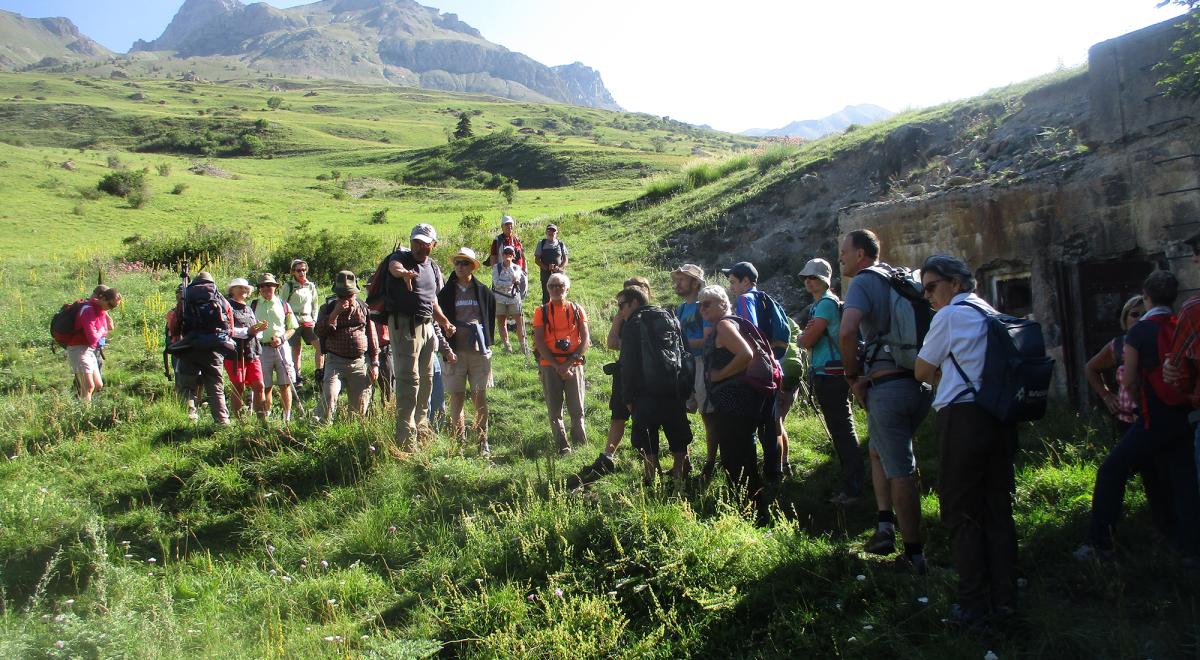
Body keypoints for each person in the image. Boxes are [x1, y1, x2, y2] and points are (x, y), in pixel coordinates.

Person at [913, 255, 1018, 626]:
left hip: (962, 418)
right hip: (999, 417)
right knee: (997, 510)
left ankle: (973, 604)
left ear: (956, 283)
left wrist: (944, 375)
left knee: (960, 512)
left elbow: (922, 369)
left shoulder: (950, 316)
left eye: (932, 286)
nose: (928, 295)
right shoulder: (990, 311)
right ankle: (1005, 599)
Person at [1076, 270, 1200, 564]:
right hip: (1183, 415)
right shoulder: (1180, 322)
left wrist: (1125, 396)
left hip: (1152, 416)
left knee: (1111, 471)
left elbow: (1129, 379)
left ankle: (1100, 543)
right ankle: (1191, 549)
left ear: (1146, 297)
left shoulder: (1140, 331)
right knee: (1185, 484)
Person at [838, 228, 930, 573]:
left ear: (861, 253)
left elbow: (847, 332)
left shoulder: (863, 282)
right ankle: (884, 526)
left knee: (900, 470)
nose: (841, 258)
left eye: (844, 252)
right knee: (879, 450)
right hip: (917, 383)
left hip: (887, 387)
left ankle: (914, 556)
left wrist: (852, 376)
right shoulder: (898, 278)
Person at [375, 223, 458, 449]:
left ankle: (422, 430)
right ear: (410, 241)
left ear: (434, 244)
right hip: (405, 327)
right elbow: (394, 267)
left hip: (428, 327)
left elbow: (432, 301)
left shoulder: (432, 268)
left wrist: (445, 322)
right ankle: (405, 439)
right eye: (416, 242)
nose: (420, 247)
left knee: (427, 380)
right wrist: (405, 275)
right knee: (408, 381)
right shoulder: (400, 258)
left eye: (425, 243)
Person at [796, 257, 863, 504]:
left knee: (842, 430)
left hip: (830, 373)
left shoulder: (824, 304)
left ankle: (853, 488)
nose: (808, 281)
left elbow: (807, 340)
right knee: (842, 428)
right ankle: (851, 483)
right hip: (831, 372)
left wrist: (804, 336)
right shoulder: (824, 304)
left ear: (824, 279)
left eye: (813, 277)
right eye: (806, 277)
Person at [698, 285, 765, 513]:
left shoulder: (725, 325)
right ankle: (752, 506)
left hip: (733, 398)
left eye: (707, 303)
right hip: (739, 398)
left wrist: (719, 375)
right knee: (743, 453)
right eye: (699, 304)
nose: (702, 308)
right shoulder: (728, 324)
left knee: (735, 455)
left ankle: (747, 509)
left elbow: (746, 354)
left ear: (723, 304)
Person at [618, 286, 694, 484]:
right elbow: (685, 353)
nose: (620, 311)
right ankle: (679, 475)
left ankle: (652, 476)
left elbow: (628, 364)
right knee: (678, 432)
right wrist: (686, 387)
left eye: (622, 305)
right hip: (673, 387)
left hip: (645, 392)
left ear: (634, 302)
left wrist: (627, 396)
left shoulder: (633, 324)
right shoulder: (669, 317)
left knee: (646, 434)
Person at [583, 277, 652, 479]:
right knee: (618, 413)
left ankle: (648, 453)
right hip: (625, 370)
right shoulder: (621, 316)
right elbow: (611, 342)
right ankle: (608, 456)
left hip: (649, 372)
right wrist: (628, 339)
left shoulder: (653, 315)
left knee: (650, 414)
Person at [722, 261, 784, 482]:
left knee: (751, 424)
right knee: (770, 424)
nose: (731, 287)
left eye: (733, 282)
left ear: (746, 281)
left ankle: (752, 477)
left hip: (755, 371)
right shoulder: (767, 298)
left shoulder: (745, 299)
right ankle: (775, 473)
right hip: (773, 368)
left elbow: (750, 331)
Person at [437, 248, 496, 456]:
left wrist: (487, 343)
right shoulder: (445, 293)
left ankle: (483, 441)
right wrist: (445, 348)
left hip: (478, 353)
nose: (460, 267)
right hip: (454, 354)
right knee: (457, 398)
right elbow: (438, 321)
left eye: (465, 263)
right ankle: (458, 442)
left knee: (480, 397)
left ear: (472, 266)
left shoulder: (483, 291)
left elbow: (489, 318)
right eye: (457, 263)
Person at [670, 265, 719, 480]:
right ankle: (684, 461)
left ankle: (710, 463)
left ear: (695, 282)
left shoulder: (704, 306)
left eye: (682, 279)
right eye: (677, 279)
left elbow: (708, 339)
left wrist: (680, 343)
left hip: (702, 363)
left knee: (708, 415)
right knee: (679, 413)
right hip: (684, 364)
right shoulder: (680, 309)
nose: (677, 283)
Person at [533, 272, 589, 454]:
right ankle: (562, 446)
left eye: (560, 286)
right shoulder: (540, 311)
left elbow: (585, 339)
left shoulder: (577, 309)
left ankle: (581, 445)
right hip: (550, 365)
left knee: (577, 407)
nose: (556, 289)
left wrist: (570, 363)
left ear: (567, 288)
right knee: (554, 409)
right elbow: (539, 342)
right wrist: (558, 366)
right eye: (552, 286)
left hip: (574, 364)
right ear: (547, 289)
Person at [315, 271, 380, 423]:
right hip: (335, 362)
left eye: (349, 295)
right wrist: (334, 315)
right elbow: (318, 331)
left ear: (355, 294)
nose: (346, 299)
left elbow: (372, 336)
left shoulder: (363, 308)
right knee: (329, 396)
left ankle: (351, 435)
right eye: (342, 296)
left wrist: (375, 362)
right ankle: (322, 429)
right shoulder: (327, 309)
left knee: (359, 408)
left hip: (360, 363)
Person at [175, 271, 233, 425]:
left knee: (188, 387)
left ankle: (190, 419)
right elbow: (230, 327)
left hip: (190, 347)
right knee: (215, 387)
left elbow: (177, 321)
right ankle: (222, 422)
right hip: (214, 349)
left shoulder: (186, 297)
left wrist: (178, 339)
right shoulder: (220, 299)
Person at [1085, 295, 1146, 432]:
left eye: (1146, 313)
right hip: (1127, 419)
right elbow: (1090, 368)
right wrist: (1106, 395)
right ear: (1125, 320)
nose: (1141, 318)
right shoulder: (1118, 345)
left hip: (1155, 415)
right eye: (1135, 314)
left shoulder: (1160, 340)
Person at [254, 272, 298, 423]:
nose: (267, 288)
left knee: (285, 384)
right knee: (265, 386)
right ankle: (266, 418)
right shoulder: (253, 305)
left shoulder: (284, 305)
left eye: (270, 285)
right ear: (259, 288)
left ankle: (287, 418)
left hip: (282, 348)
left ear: (275, 287)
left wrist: (281, 338)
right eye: (263, 285)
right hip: (261, 349)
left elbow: (292, 327)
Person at [64, 287, 122, 402]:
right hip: (78, 350)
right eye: (110, 305)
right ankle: (85, 415)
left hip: (89, 350)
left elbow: (107, 329)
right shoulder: (88, 310)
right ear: (103, 298)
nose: (110, 309)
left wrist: (99, 331)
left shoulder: (100, 310)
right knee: (88, 386)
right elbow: (93, 338)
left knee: (98, 384)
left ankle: (80, 403)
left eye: (114, 307)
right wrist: (100, 331)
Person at [224, 278, 268, 419]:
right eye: (239, 288)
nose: (243, 290)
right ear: (232, 290)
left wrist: (258, 329)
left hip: (252, 351)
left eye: (245, 288)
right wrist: (249, 331)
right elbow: (228, 330)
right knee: (238, 386)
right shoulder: (227, 307)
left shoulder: (248, 308)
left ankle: (261, 418)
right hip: (235, 353)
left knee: (259, 384)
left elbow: (255, 332)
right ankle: (239, 420)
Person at [284, 259, 323, 392]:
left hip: (307, 319)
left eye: (304, 270)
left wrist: (314, 319)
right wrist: (286, 322)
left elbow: (315, 303)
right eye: (298, 270)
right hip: (293, 321)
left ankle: (320, 374)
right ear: (293, 272)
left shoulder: (310, 286)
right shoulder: (288, 286)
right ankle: (297, 377)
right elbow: (283, 304)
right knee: (296, 350)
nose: (302, 272)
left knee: (319, 346)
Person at [491, 245, 529, 354]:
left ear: (513, 256)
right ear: (502, 255)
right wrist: (509, 283)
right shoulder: (496, 267)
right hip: (499, 298)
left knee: (519, 322)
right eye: (506, 253)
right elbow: (496, 283)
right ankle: (507, 346)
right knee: (502, 322)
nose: (508, 256)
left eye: (510, 254)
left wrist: (510, 267)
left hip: (513, 299)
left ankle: (523, 346)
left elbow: (516, 279)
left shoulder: (517, 267)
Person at [534, 223, 569, 304]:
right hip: (545, 275)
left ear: (556, 233)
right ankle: (546, 314)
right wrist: (546, 267)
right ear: (546, 232)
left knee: (560, 294)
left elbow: (565, 259)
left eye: (553, 231)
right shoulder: (541, 243)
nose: (551, 233)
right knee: (546, 296)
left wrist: (559, 268)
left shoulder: (560, 244)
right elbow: (537, 260)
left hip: (559, 275)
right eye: (549, 231)